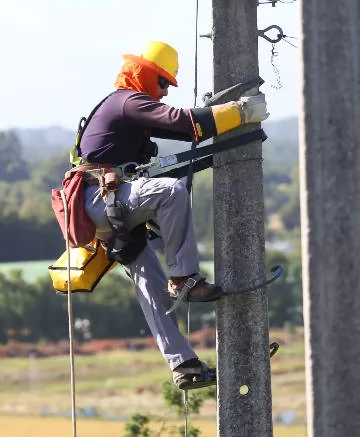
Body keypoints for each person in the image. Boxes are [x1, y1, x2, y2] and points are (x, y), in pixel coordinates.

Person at [74, 40, 269, 390]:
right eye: (162, 82)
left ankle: (184, 365)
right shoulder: (127, 101)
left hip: (110, 206)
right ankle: (184, 278)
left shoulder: (130, 110)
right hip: (101, 201)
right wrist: (240, 112)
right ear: (144, 75)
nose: (164, 92)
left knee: (149, 286)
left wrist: (220, 118)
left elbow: (185, 129)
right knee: (169, 191)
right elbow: (183, 122)